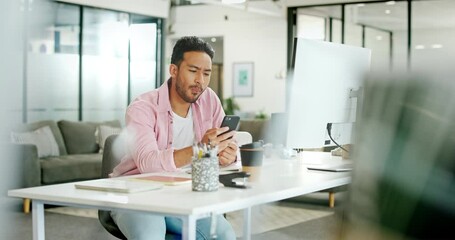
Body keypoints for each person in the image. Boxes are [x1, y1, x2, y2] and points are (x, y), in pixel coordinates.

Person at [110, 36, 238, 240]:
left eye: (206, 73)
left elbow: (227, 144)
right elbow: (148, 163)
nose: (200, 81)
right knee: (149, 235)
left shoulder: (209, 100)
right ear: (174, 70)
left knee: (224, 234)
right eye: (193, 71)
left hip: (184, 193)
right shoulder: (142, 108)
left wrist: (228, 155)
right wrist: (201, 148)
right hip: (136, 193)